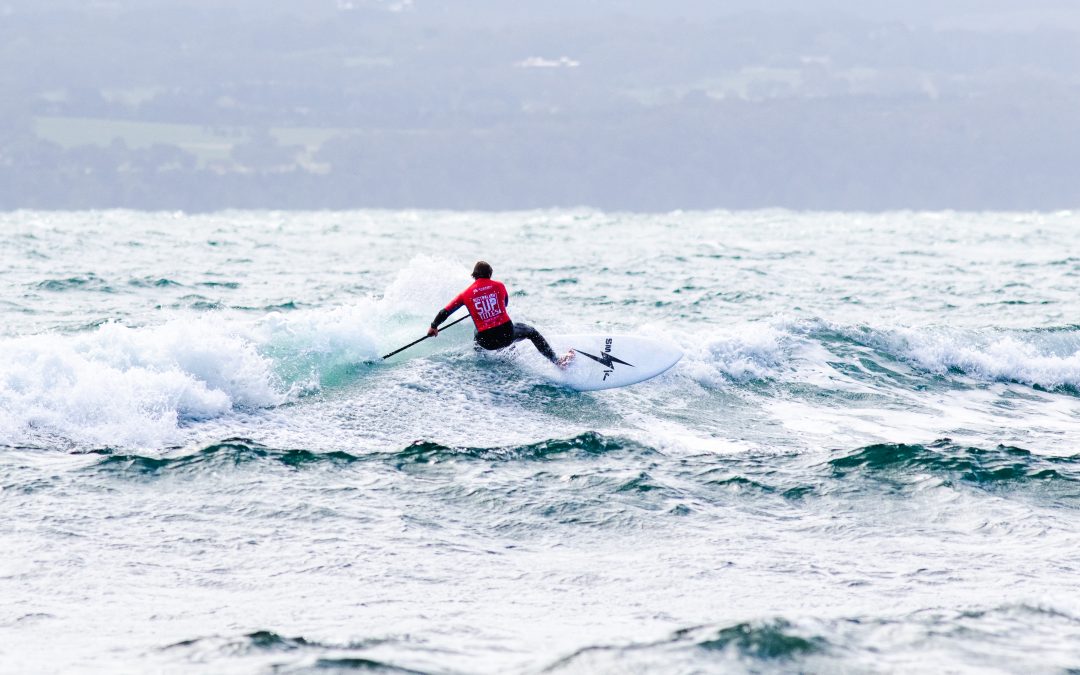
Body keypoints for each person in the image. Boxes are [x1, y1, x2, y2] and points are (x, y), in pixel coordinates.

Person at [428, 261, 572, 367]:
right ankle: (556, 360)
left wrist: (434, 326)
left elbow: (444, 311)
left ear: (474, 276)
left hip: (486, 342)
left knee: (477, 331)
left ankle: (480, 359)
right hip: (506, 335)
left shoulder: (465, 295)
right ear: (490, 274)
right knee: (530, 331)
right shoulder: (499, 286)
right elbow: (505, 303)